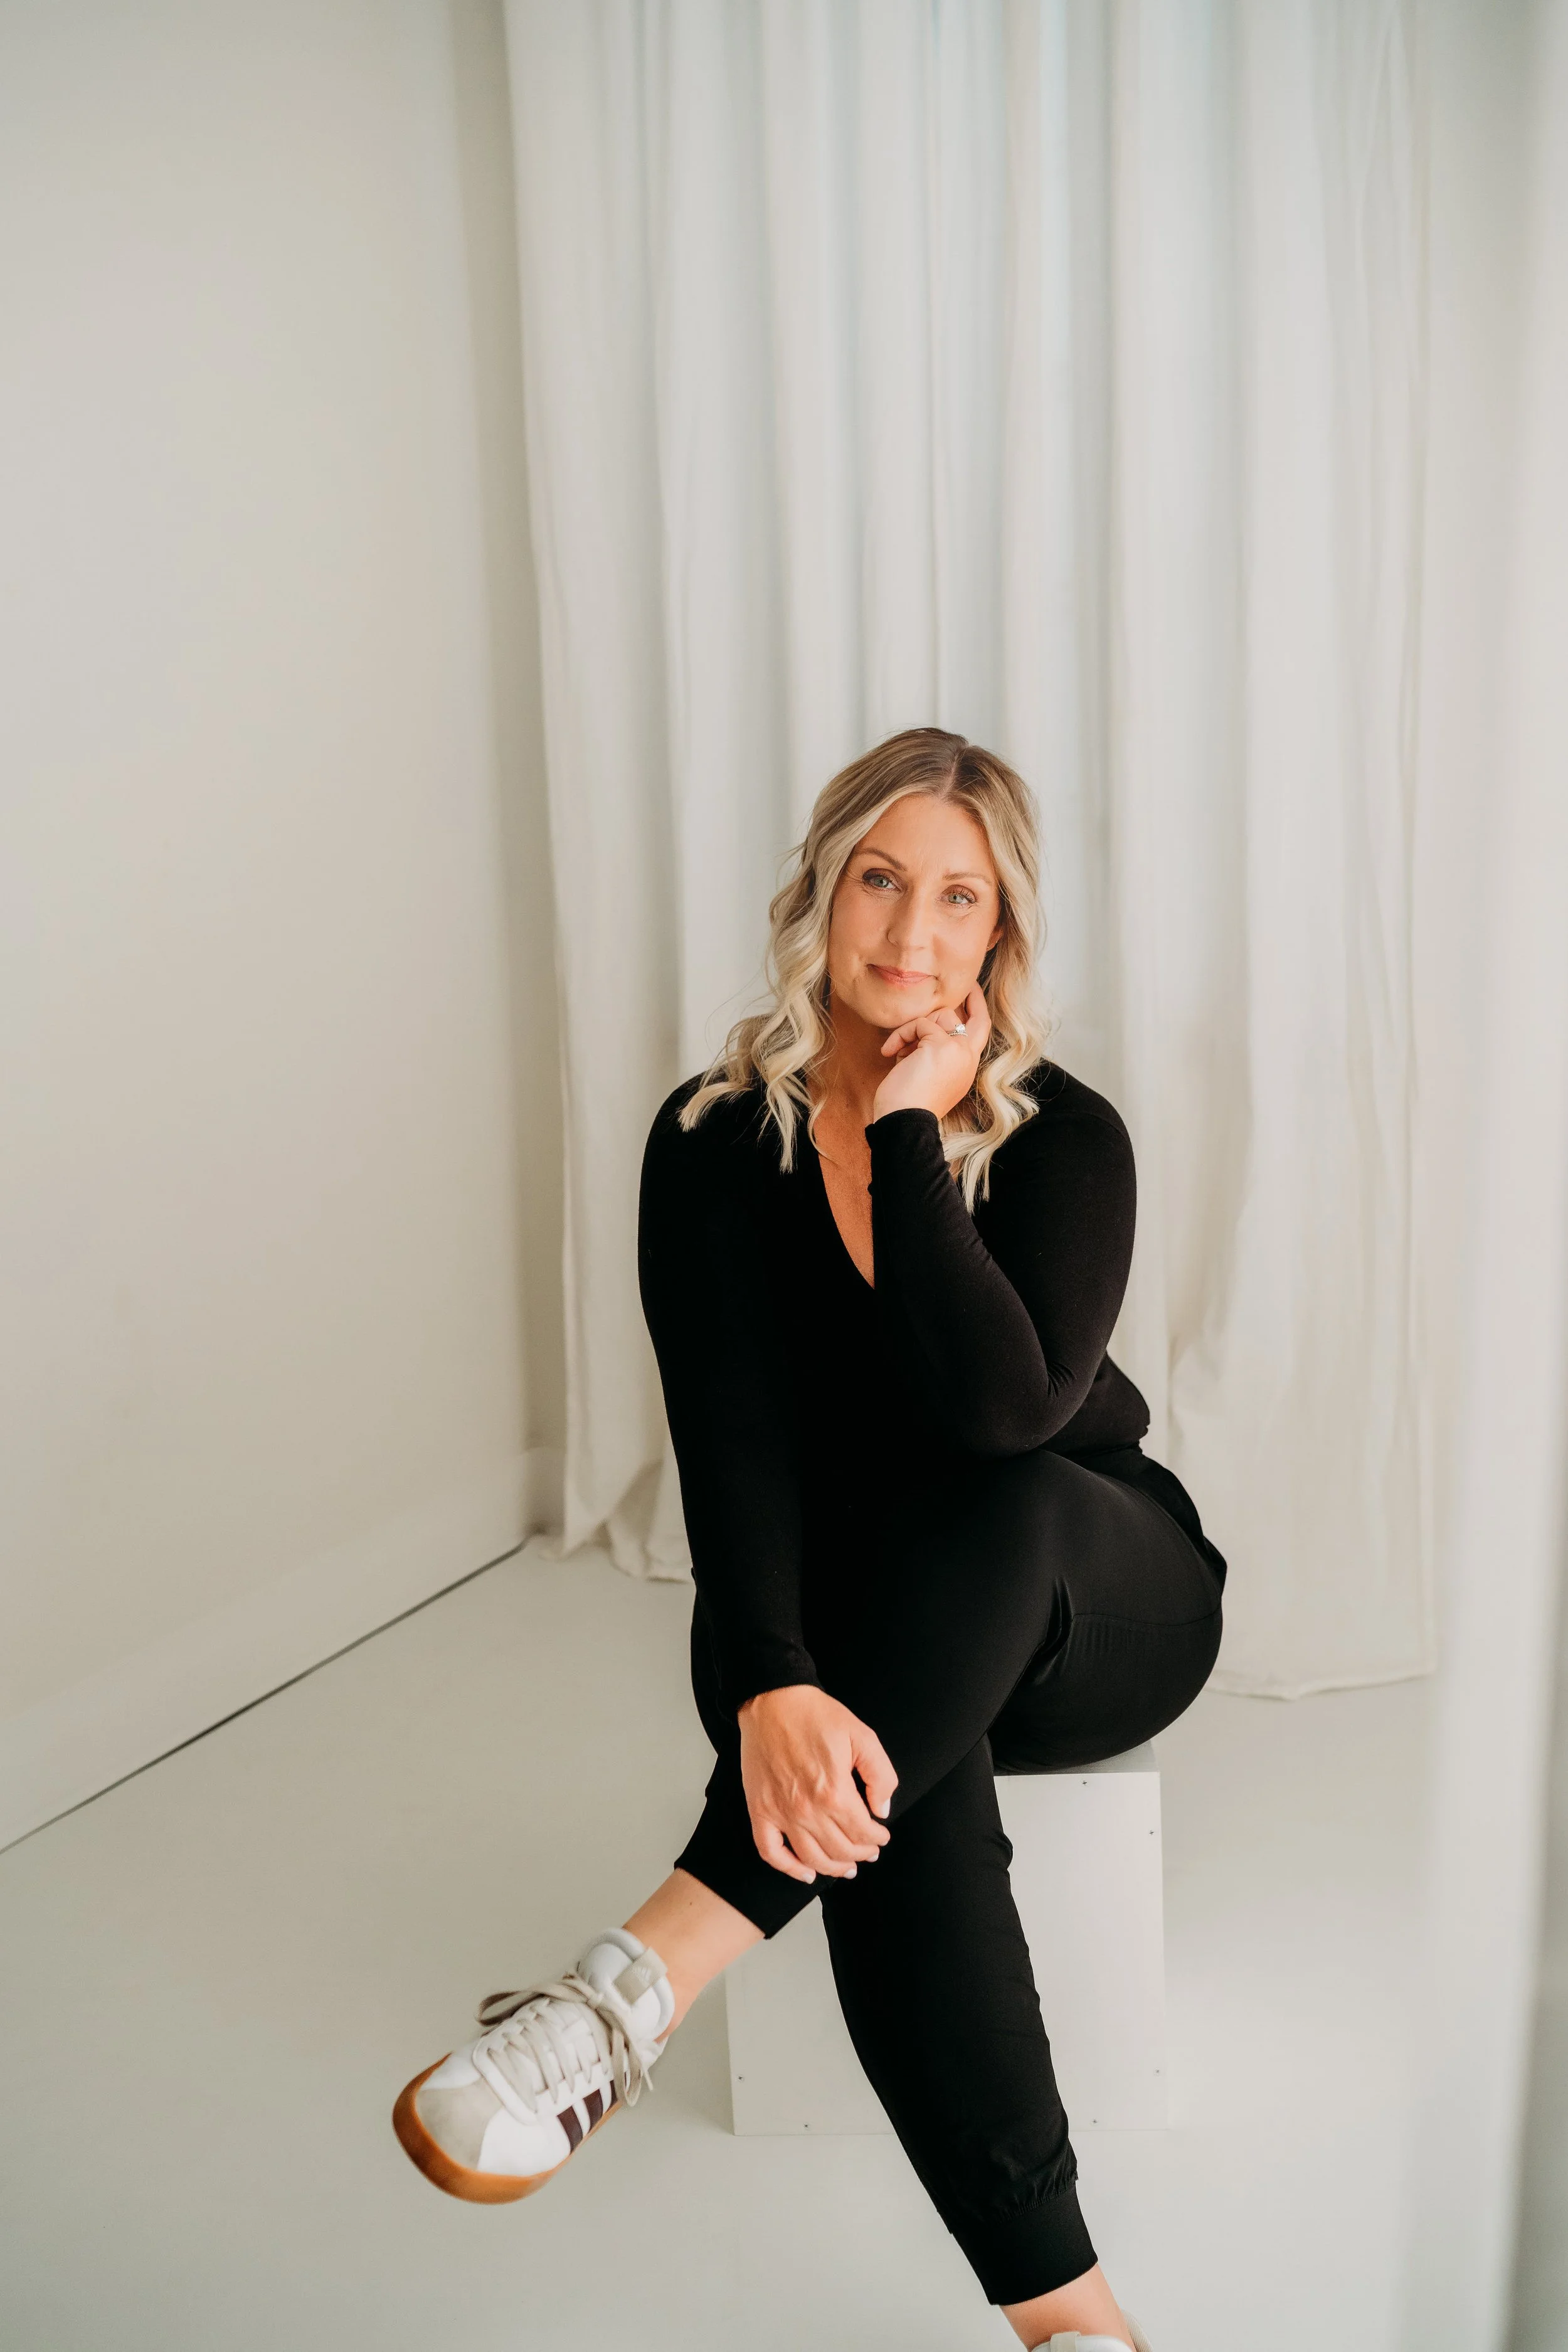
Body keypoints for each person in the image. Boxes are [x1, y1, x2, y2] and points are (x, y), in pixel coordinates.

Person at [393, 730, 1226, 2352]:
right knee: (872, 1761)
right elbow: (733, 1462)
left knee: (1001, 1507)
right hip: (890, 1629)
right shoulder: (715, 1140)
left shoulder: (1062, 1136)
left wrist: (912, 1134)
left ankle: (632, 1982)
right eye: (879, 876)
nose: (910, 928)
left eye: (957, 895)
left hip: (1096, 1586)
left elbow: (1004, 1417)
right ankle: (1078, 2324)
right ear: (820, 889)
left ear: (1000, 934)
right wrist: (768, 1682)